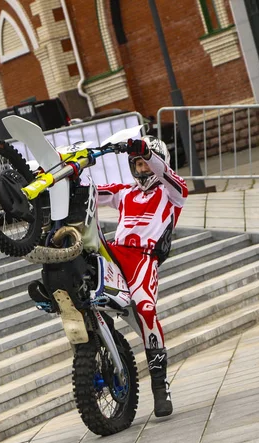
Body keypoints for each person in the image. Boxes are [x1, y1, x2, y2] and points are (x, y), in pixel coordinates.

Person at [98, 136, 188, 417]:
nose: (143, 168)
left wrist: (148, 153)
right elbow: (88, 192)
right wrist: (64, 174)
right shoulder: (123, 192)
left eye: (146, 163)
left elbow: (165, 173)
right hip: (115, 253)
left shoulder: (174, 193)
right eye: (137, 163)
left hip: (143, 259)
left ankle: (160, 387)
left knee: (147, 312)